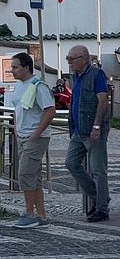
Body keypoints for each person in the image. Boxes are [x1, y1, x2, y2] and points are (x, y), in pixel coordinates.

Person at [65, 44, 110, 222]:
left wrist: (97, 126)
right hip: (78, 130)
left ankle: (102, 208)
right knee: (71, 163)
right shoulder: (75, 76)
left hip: (93, 130)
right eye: (68, 59)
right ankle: (100, 197)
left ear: (84, 59)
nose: (69, 62)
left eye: (71, 59)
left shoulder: (96, 75)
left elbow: (103, 101)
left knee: (98, 169)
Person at [9, 52, 56, 228]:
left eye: (15, 67)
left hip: (35, 137)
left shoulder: (38, 86)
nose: (12, 71)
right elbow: (18, 109)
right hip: (23, 135)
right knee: (34, 176)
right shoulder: (20, 86)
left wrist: (36, 133)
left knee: (25, 173)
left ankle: (29, 213)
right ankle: (41, 216)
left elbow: (50, 110)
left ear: (27, 67)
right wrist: (16, 129)